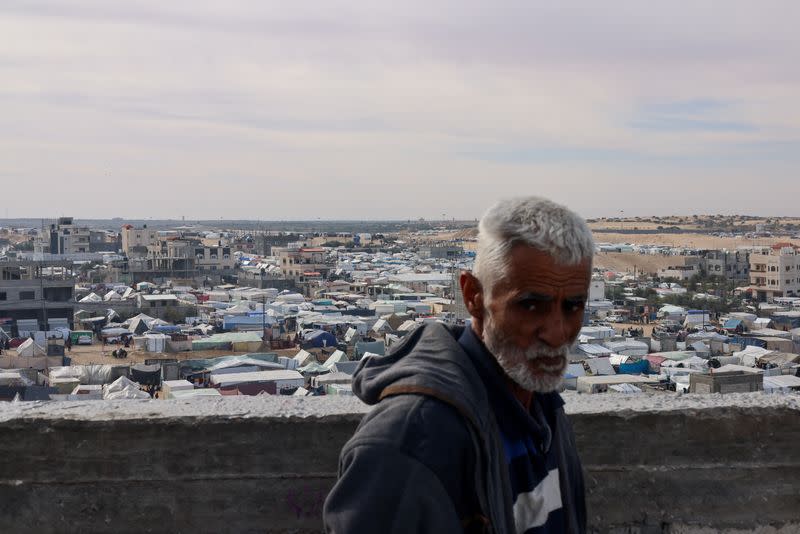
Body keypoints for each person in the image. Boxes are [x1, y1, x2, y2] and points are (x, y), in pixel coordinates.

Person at [324, 197, 593, 533]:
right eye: (530, 306)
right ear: (473, 296)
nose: (557, 333)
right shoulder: (410, 442)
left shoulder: (542, 408)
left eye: (572, 306)